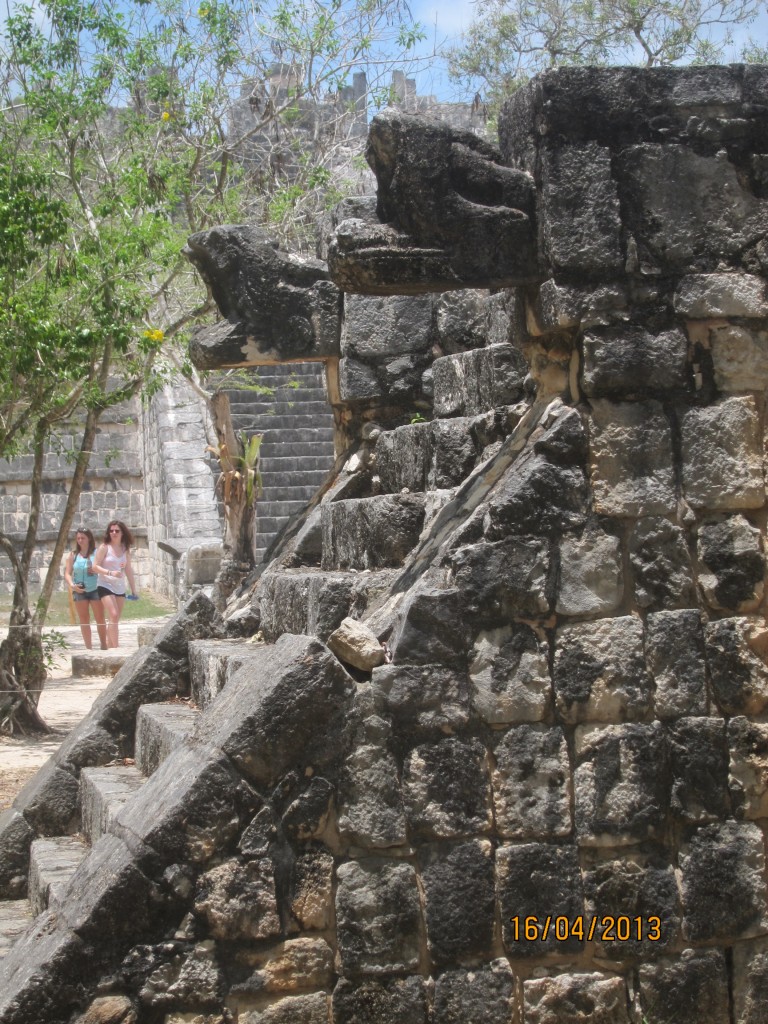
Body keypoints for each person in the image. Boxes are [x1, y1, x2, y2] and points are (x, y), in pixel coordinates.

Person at [93, 520, 139, 648]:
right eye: (111, 530)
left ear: (122, 533)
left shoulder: (125, 549)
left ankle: (109, 646)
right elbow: (95, 566)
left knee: (115, 618)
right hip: (104, 584)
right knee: (113, 614)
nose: (114, 533)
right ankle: (116, 648)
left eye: (117, 531)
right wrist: (110, 572)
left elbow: (128, 570)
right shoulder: (104, 547)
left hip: (119, 586)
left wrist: (133, 589)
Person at [64, 528, 108, 650]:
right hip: (79, 590)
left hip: (95, 588)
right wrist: (72, 585)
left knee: (99, 617)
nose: (80, 540)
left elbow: (104, 568)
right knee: (84, 619)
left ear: (89, 538)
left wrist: (96, 570)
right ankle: (88, 647)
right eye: (78, 538)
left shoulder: (97, 553)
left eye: (83, 538)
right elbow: (67, 573)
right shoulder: (73, 555)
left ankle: (103, 645)